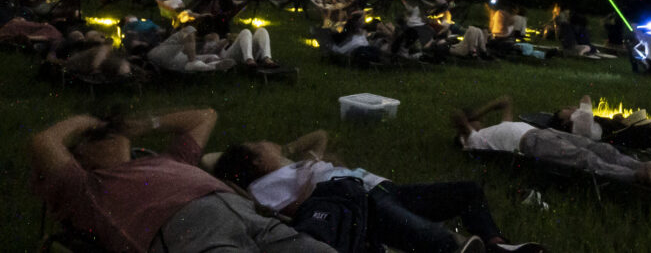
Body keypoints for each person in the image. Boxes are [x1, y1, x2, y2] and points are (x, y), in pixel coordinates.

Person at [30, 108, 335, 253]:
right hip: (188, 233)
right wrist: (87, 121)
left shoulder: (168, 159)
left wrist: (143, 124)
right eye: (98, 137)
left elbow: (206, 115)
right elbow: (43, 141)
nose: (112, 137)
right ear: (80, 154)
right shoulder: (85, 188)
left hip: (246, 214)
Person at [213, 129, 543, 253]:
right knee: (434, 240)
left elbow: (319, 135)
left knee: (467, 191)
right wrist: (310, 175)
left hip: (385, 189)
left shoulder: (290, 166)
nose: (268, 142)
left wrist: (296, 156)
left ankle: (497, 245)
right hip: (360, 203)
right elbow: (291, 212)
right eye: (260, 144)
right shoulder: (262, 186)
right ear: (255, 160)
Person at [452, 96, 651, 187]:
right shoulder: (472, 141)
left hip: (544, 133)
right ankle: (635, 175)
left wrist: (480, 113)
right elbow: (456, 116)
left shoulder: (495, 128)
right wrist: (470, 123)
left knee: (597, 147)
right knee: (584, 158)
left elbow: (505, 100)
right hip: (530, 144)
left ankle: (650, 167)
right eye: (473, 122)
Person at [548, 95, 651, 160]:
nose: (571, 108)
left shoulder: (583, 123)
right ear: (564, 122)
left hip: (627, 133)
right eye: (567, 110)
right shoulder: (578, 126)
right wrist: (576, 109)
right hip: (626, 137)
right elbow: (586, 99)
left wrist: (618, 119)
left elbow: (601, 125)